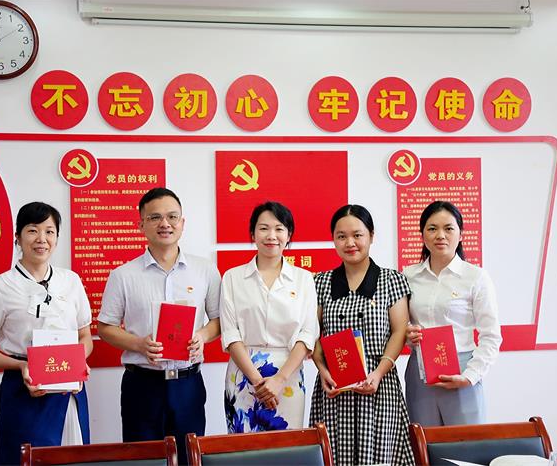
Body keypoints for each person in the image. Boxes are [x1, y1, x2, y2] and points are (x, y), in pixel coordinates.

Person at [98, 187, 220, 465]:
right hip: (142, 385)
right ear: (141, 225)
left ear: (182, 223)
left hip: (188, 383)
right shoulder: (123, 275)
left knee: (189, 458)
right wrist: (139, 344)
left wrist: (201, 336)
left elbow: (218, 321)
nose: (165, 223)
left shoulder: (205, 270)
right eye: (155, 217)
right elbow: (106, 327)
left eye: (172, 217)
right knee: (144, 459)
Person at [0, 202, 93, 465]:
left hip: (68, 388)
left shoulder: (71, 281)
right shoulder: (0, 287)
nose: (41, 239)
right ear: (17, 237)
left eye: (49, 231)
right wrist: (22, 366)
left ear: (57, 238)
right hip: (23, 388)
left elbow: (85, 336)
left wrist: (77, 361)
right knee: (22, 458)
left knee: (72, 457)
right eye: (32, 230)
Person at [309, 204, 414, 466]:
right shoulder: (320, 283)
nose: (350, 243)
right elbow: (313, 334)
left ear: (371, 236)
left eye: (357, 235)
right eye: (341, 236)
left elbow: (399, 331)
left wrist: (378, 373)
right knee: (335, 456)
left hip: (379, 385)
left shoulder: (391, 280)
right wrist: (323, 370)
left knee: (379, 457)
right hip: (335, 387)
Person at [220, 201, 318, 433]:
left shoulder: (304, 279)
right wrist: (257, 381)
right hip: (244, 376)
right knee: (243, 447)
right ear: (252, 233)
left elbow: (307, 334)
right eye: (263, 228)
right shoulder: (233, 277)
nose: (271, 235)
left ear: (288, 234)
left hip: (288, 376)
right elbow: (231, 334)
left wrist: (279, 379)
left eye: (279, 229)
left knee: (287, 446)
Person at [403, 200, 502, 426]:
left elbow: (491, 336)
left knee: (466, 444)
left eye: (448, 228)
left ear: (461, 234)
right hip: (420, 372)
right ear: (422, 234)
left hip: (462, 371)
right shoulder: (408, 276)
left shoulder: (475, 276)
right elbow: (400, 325)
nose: (440, 235)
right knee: (424, 442)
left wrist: (470, 376)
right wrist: (407, 334)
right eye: (432, 228)